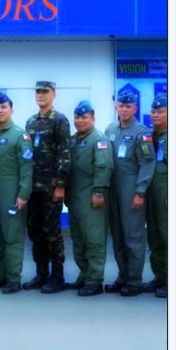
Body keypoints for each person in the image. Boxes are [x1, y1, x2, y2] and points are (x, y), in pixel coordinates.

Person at [0, 92, 33, 295]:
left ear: (12, 110)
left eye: (3, 107)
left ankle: (14, 278)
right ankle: (1, 275)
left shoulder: (20, 136)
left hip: (11, 193)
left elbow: (26, 168)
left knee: (12, 236)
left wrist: (23, 195)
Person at [105, 90, 156, 297]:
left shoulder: (141, 133)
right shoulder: (110, 130)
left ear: (135, 108)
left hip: (131, 188)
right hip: (113, 189)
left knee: (133, 237)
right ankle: (123, 276)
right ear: (116, 106)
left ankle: (134, 281)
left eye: (128, 106)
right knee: (117, 236)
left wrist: (140, 192)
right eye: (121, 105)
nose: (124, 109)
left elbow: (147, 163)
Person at [23, 81, 71, 294]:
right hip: (32, 188)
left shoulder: (60, 120)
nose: (41, 95)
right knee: (35, 232)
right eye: (38, 92)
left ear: (54, 94)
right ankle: (41, 274)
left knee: (52, 233)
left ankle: (57, 277)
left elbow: (64, 154)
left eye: (45, 92)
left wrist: (60, 185)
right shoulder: (31, 122)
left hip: (50, 188)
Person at [64, 101, 114, 297]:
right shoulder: (73, 140)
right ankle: (84, 275)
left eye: (84, 117)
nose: (80, 121)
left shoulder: (99, 140)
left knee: (94, 239)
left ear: (93, 118)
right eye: (77, 117)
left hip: (91, 193)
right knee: (78, 238)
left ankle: (95, 280)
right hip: (75, 195)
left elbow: (104, 167)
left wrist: (99, 191)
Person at [143, 94, 168, 299]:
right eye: (153, 111)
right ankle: (160, 276)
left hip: (166, 193)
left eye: (160, 111)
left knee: (169, 236)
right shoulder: (150, 136)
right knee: (154, 236)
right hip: (151, 192)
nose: (156, 115)